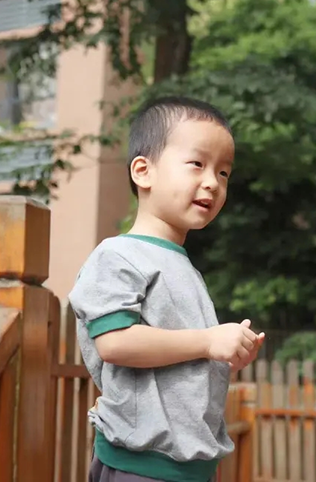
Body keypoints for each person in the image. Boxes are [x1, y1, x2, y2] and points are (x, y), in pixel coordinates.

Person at [69, 96, 265, 482]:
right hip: (140, 466)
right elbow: (115, 342)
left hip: (190, 466)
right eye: (197, 164)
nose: (212, 181)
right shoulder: (119, 255)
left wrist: (225, 354)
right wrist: (208, 342)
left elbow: (182, 353)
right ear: (144, 171)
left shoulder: (182, 265)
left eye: (224, 173)